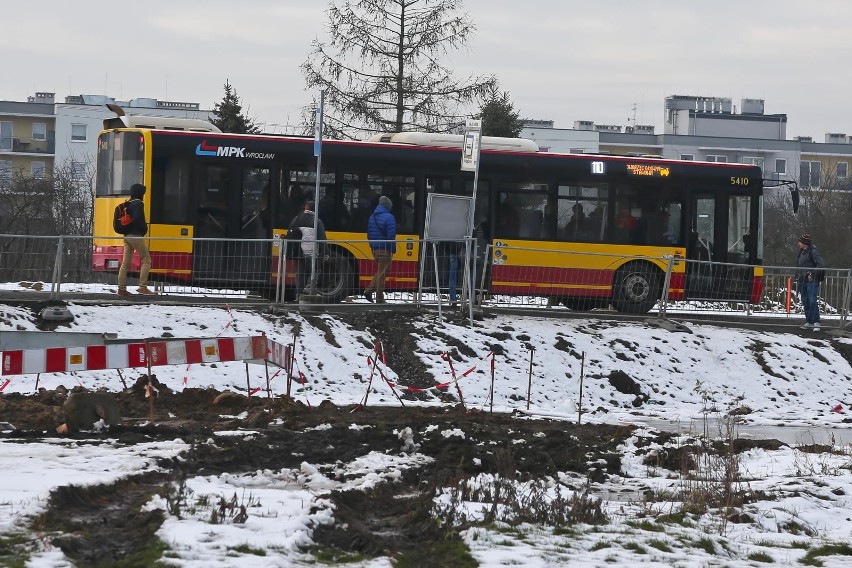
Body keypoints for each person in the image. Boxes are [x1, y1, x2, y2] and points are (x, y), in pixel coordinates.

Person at [117, 183, 155, 297]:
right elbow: (138, 219)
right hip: (135, 236)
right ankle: (143, 287)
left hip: (127, 236)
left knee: (125, 264)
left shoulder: (127, 204)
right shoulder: (138, 204)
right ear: (140, 193)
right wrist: (144, 229)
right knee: (146, 259)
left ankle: (121, 289)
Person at [288, 200, 327, 293]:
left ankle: (298, 294)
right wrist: (325, 252)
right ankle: (309, 287)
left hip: (298, 252)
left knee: (301, 274)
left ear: (306, 207)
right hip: (311, 252)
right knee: (315, 270)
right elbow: (322, 239)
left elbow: (289, 234)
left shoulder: (296, 219)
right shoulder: (317, 221)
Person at [364, 195, 397, 303]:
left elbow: (369, 234)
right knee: (382, 273)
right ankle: (379, 297)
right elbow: (390, 236)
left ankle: (370, 290)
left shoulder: (371, 217)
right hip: (384, 249)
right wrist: (392, 249)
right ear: (388, 206)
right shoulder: (389, 217)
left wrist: (372, 247)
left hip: (375, 249)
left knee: (383, 271)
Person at [796, 233, 825, 331]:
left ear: (804, 243)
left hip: (812, 280)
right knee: (805, 301)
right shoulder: (801, 252)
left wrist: (812, 274)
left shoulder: (813, 252)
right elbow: (799, 267)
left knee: (812, 300)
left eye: (799, 241)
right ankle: (809, 321)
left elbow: (820, 264)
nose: (798, 243)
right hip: (802, 280)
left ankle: (816, 322)